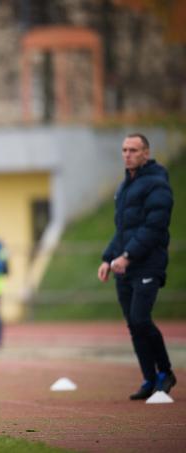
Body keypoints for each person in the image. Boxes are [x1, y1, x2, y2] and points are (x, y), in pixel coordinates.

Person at [97, 133, 177, 400]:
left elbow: (153, 228)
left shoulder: (157, 184)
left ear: (146, 153)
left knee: (142, 319)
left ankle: (165, 373)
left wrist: (128, 255)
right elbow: (122, 231)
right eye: (124, 150)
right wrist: (108, 258)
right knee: (133, 324)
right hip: (124, 267)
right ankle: (149, 378)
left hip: (147, 264)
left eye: (133, 150)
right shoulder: (125, 186)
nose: (127, 154)